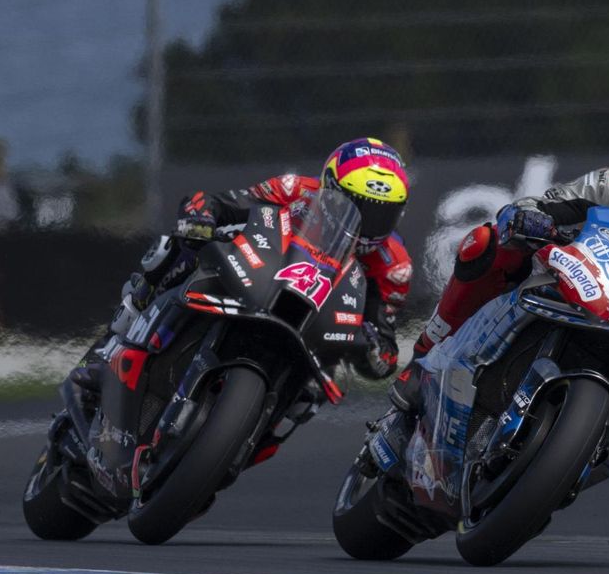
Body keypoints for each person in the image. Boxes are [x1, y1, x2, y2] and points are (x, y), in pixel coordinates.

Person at [380, 135, 609, 469]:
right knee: (486, 243)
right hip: (585, 282)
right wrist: (535, 221)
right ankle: (427, 355)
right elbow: (538, 206)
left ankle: (581, 468)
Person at [71, 138, 414, 392]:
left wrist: (374, 350)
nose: (365, 223)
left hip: (312, 332)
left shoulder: (394, 265)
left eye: (381, 213)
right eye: (354, 205)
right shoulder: (295, 190)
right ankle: (109, 346)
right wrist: (202, 216)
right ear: (329, 187)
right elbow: (229, 205)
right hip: (256, 278)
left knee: (314, 394)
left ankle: (235, 454)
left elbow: (383, 339)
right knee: (173, 248)